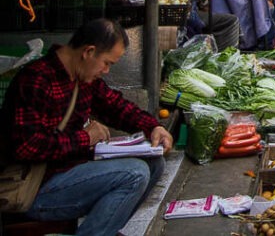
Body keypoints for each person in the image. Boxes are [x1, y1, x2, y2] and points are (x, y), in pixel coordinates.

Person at [0, 19, 173, 235]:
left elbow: (116, 107)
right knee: (134, 174)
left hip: (69, 172)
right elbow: (27, 147)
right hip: (34, 188)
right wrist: (86, 138)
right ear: (88, 52)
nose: (107, 71)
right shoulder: (36, 80)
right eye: (107, 63)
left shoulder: (83, 79)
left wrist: (153, 126)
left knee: (154, 163)